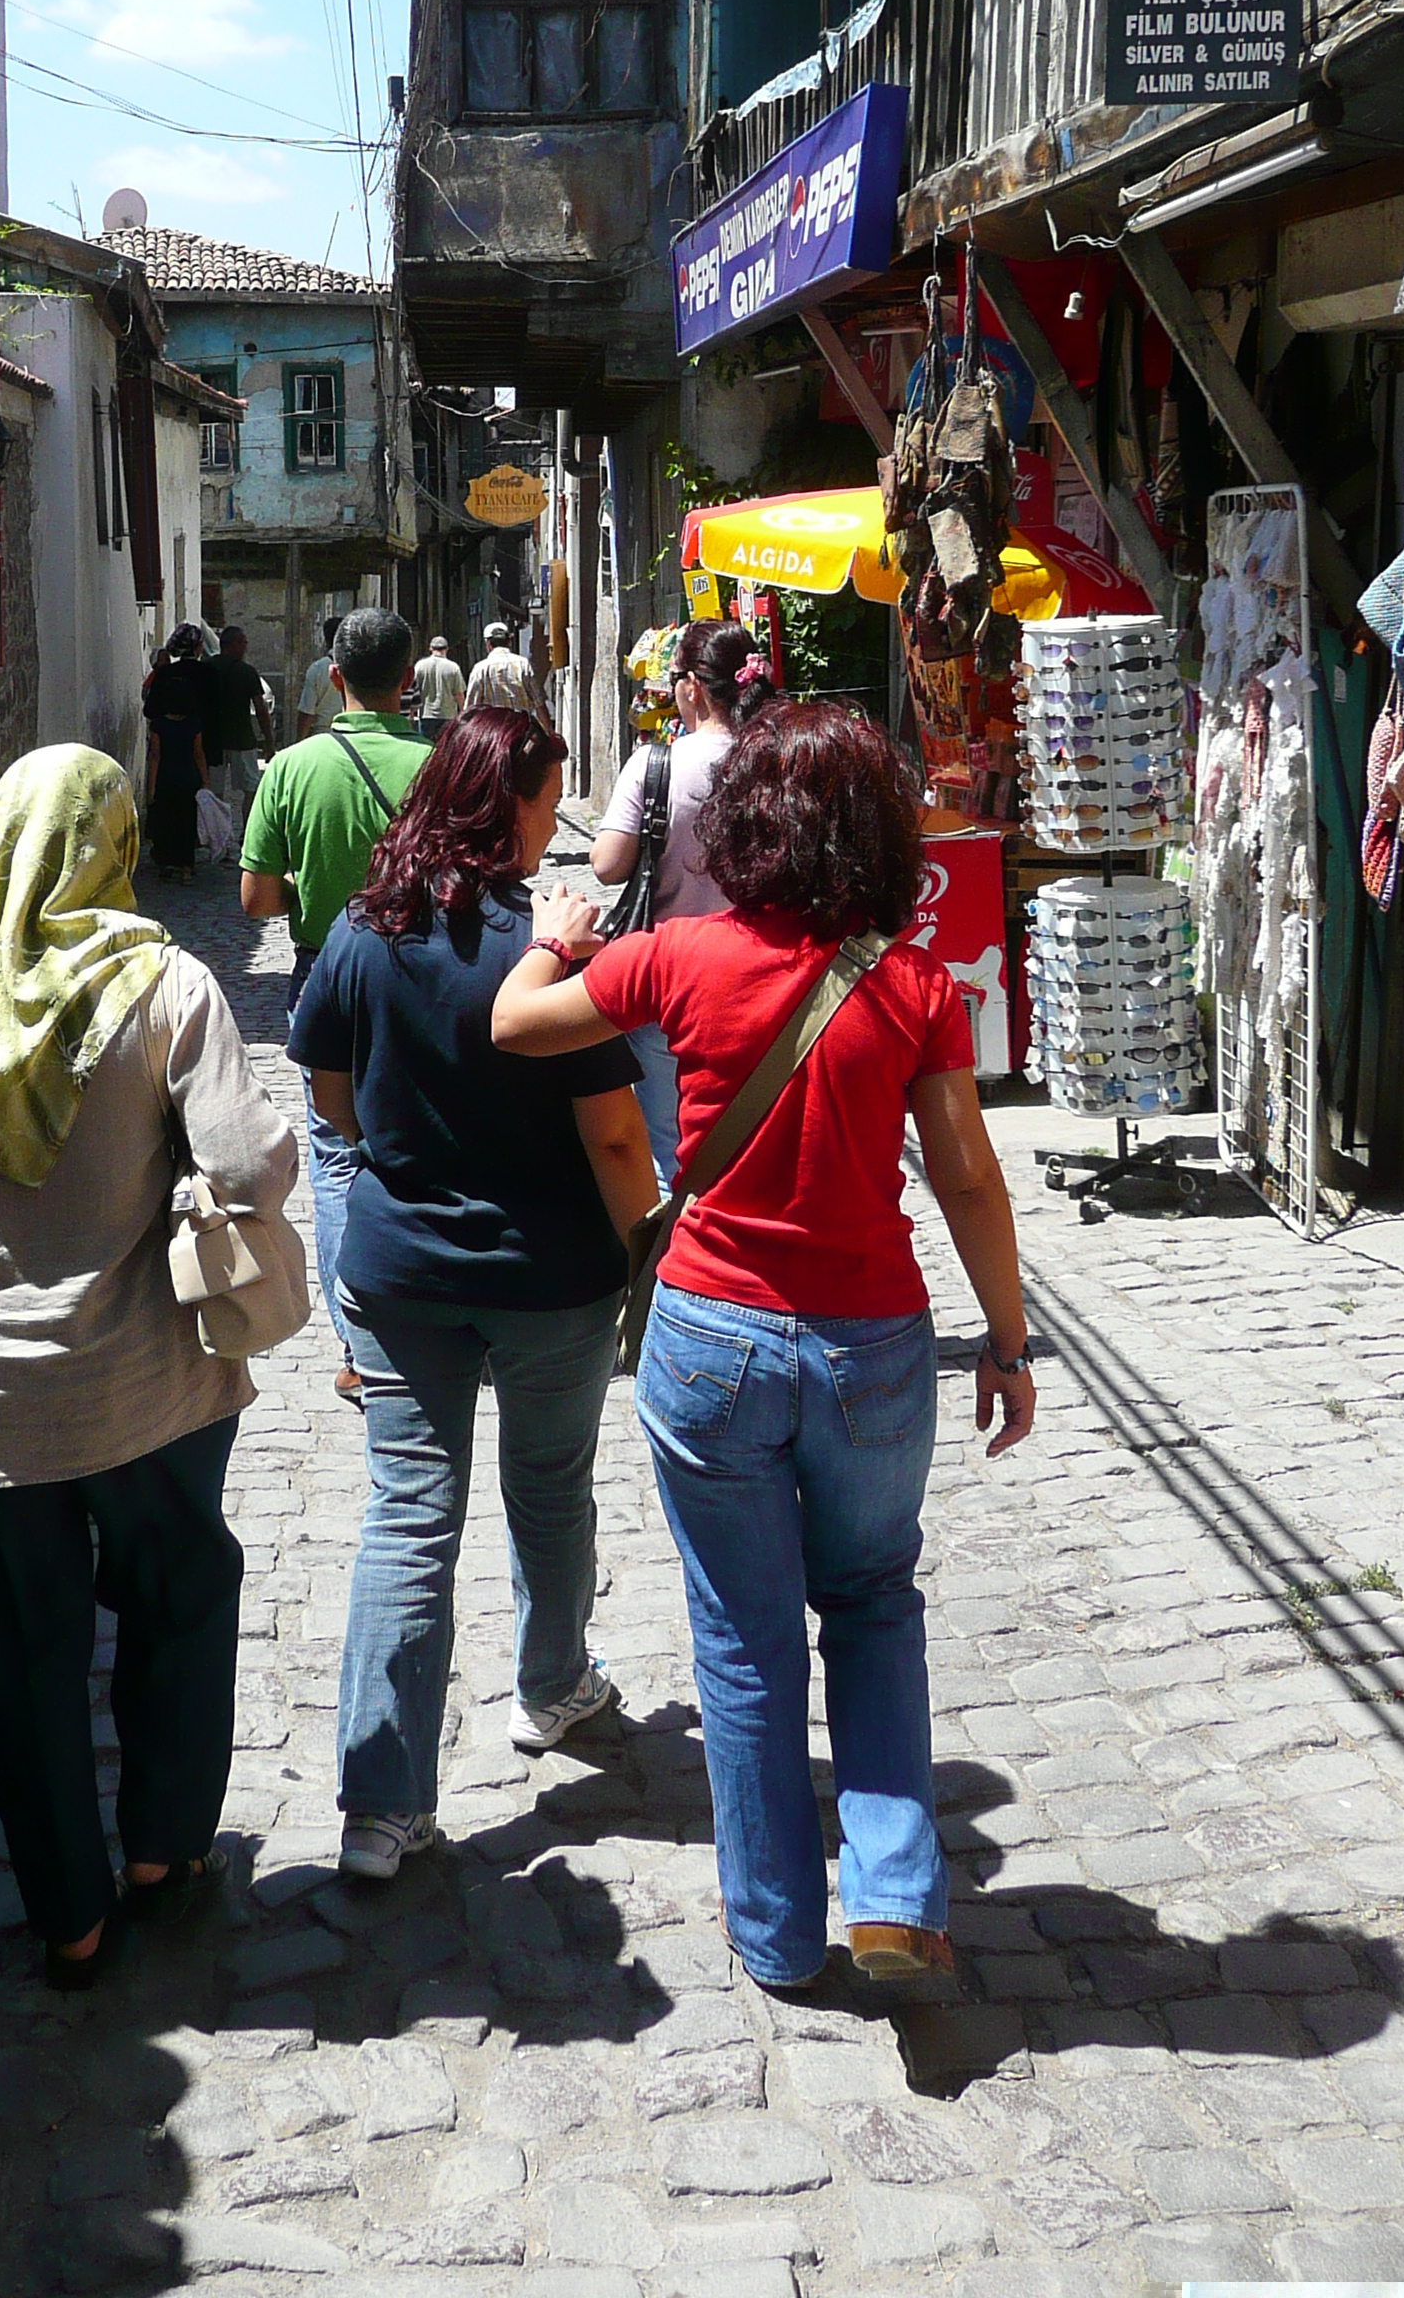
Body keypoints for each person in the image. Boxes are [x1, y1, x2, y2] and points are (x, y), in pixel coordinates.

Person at [493, 701, 1036, 1997]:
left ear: (743, 828)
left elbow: (518, 1025)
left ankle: (779, 1931)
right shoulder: (910, 986)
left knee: (742, 1642)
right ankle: (898, 1892)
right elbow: (967, 1179)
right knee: (873, 1604)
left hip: (712, 1340)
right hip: (871, 1351)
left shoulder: (678, 956)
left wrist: (552, 938)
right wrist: (1006, 1343)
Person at [0, 746, 298, 1989]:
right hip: (143, 1386)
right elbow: (252, 1166)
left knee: (17, 1658)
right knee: (180, 1593)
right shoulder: (162, 986)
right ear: (108, 847)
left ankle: (70, 1916)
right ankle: (161, 1847)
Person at [289, 707, 657, 1882]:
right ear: (513, 804)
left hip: (401, 1277)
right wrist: (647, 1238)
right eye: (549, 799)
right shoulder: (552, 953)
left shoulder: (362, 931)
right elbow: (611, 1138)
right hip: (548, 1279)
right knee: (548, 1489)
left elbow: (334, 1107)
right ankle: (548, 1685)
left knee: (406, 1514)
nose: (558, 821)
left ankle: (379, 1806)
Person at [240, 608, 429, 1402]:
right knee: (425, 1140)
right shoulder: (443, 763)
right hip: (427, 972)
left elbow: (255, 901)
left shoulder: (292, 766)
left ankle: (358, 1344)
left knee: (338, 1154)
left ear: (335, 677)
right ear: (409, 680)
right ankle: (434, 1322)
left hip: (326, 976)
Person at [591, 621, 777, 1185]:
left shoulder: (657, 765)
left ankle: (680, 1255)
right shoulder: (777, 762)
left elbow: (607, 865)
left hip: (672, 983)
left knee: (672, 1146)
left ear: (693, 687)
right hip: (768, 978)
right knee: (758, 1134)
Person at [144, 624, 210, 881]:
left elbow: (154, 756)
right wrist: (205, 781)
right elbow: (199, 754)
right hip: (188, 778)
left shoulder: (159, 724)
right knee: (186, 820)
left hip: (166, 779)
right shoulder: (194, 723)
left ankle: (166, 862)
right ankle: (186, 864)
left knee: (165, 819)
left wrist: (149, 788)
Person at [204, 626, 275, 830]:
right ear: (233, 644)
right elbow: (260, 708)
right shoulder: (246, 671)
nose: (245, 646)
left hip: (213, 740)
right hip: (242, 739)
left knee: (215, 791)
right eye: (243, 642)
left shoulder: (208, 668)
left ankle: (218, 834)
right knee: (251, 788)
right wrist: (268, 741)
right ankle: (247, 831)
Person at [463, 620, 545, 720]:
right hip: (521, 728)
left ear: (488, 645)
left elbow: (471, 708)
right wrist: (548, 731)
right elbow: (539, 702)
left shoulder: (480, 669)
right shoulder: (523, 664)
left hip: (494, 730)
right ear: (509, 642)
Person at [296, 617, 345, 741]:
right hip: (350, 734)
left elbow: (307, 712)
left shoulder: (317, 669)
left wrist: (299, 742)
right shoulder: (357, 666)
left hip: (322, 736)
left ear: (326, 639)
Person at [412, 635, 465, 727]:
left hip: (426, 714)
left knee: (426, 741)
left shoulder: (420, 666)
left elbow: (414, 690)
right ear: (446, 649)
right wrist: (462, 711)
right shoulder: (453, 667)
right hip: (448, 715)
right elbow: (458, 694)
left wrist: (412, 712)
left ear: (430, 648)